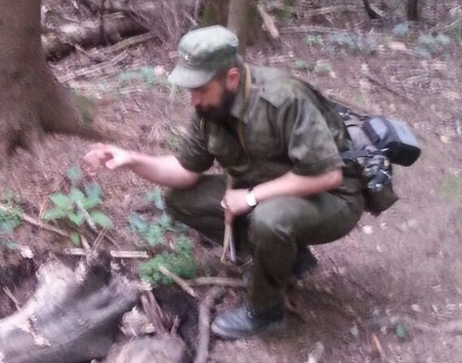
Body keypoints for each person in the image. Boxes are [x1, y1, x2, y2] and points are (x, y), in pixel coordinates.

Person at [82, 25, 366, 339]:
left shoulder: (283, 98)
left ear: (231, 78)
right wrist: (132, 160)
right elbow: (184, 170)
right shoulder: (210, 107)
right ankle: (289, 259)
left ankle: (265, 309)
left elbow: (327, 174)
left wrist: (252, 196)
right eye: (190, 89)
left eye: (201, 89)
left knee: (270, 219)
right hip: (276, 190)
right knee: (182, 199)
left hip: (335, 197)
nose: (194, 100)